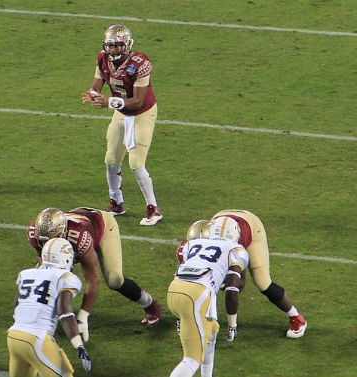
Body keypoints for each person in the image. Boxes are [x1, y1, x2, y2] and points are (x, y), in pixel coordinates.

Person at [28, 207, 163, 342]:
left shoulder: (79, 235)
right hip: (76, 236)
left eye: (53, 239)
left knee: (114, 280)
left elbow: (93, 279)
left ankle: (149, 304)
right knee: (47, 275)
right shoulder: (35, 233)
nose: (47, 244)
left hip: (102, 228)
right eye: (44, 240)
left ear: (63, 232)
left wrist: (82, 316)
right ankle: (44, 316)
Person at [81, 25, 162, 226]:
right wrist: (93, 94)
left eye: (117, 46)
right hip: (121, 113)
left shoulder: (140, 63)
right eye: (110, 46)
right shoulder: (102, 58)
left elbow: (138, 101)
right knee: (111, 159)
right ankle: (116, 202)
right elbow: (97, 83)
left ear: (126, 45)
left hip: (142, 114)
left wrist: (108, 102)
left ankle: (154, 208)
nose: (113, 50)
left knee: (136, 164)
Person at [201, 210, 307, 340]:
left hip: (252, 228)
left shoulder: (237, 239)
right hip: (222, 218)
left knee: (262, 282)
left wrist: (234, 280)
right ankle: (192, 314)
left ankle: (297, 318)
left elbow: (240, 282)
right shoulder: (205, 233)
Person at [168, 218, 249, 377]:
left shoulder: (192, 243)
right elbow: (232, 290)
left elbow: (187, 268)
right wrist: (232, 325)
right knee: (191, 360)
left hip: (174, 290)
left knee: (212, 331)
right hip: (198, 295)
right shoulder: (236, 249)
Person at [8, 238, 92, 377]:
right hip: (37, 339)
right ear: (66, 259)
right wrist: (79, 346)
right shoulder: (65, 277)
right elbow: (64, 312)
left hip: (14, 336)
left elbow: (17, 305)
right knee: (65, 374)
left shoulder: (26, 274)